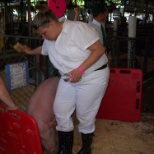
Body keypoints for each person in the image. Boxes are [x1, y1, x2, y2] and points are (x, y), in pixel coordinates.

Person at [21, 4, 109, 154]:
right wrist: (29, 51)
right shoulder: (50, 39)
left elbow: (99, 49)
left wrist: (80, 70)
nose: (44, 38)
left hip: (92, 77)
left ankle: (86, 149)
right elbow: (43, 50)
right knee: (61, 111)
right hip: (69, 77)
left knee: (84, 115)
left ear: (51, 23)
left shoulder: (78, 29)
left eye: (44, 33)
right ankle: (65, 149)